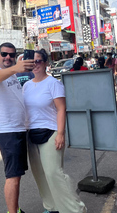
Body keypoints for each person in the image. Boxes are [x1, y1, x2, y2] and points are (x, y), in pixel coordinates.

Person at [23, 49, 87, 213]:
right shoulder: (27, 86)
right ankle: (51, 206)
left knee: (53, 173)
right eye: (32, 61)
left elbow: (61, 109)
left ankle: (75, 209)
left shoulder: (53, 83)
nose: (35, 64)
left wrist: (60, 134)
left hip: (50, 132)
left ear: (45, 63)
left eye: (38, 61)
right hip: (32, 135)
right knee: (40, 174)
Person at [0, 42, 35, 213]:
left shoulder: (12, 74)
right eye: (4, 54)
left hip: (18, 129)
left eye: (11, 55)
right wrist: (16, 68)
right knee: (12, 176)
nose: (8, 58)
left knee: (17, 175)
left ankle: (16, 209)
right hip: (7, 131)